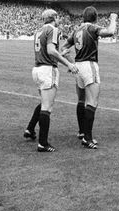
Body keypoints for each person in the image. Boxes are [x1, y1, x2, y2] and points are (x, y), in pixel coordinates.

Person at [60, 7, 117, 149]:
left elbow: (64, 47)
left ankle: (82, 132)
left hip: (78, 66)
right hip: (89, 65)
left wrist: (70, 60)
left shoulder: (77, 30)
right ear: (95, 18)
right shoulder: (92, 28)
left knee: (81, 100)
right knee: (92, 102)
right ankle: (88, 138)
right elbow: (110, 31)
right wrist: (113, 19)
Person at [23, 9, 79, 152]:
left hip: (37, 69)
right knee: (47, 107)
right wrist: (69, 64)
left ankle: (30, 129)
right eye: (58, 17)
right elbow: (50, 51)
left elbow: (47, 53)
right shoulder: (54, 29)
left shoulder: (39, 31)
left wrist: (61, 53)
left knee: (43, 103)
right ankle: (43, 143)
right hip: (48, 70)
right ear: (54, 18)